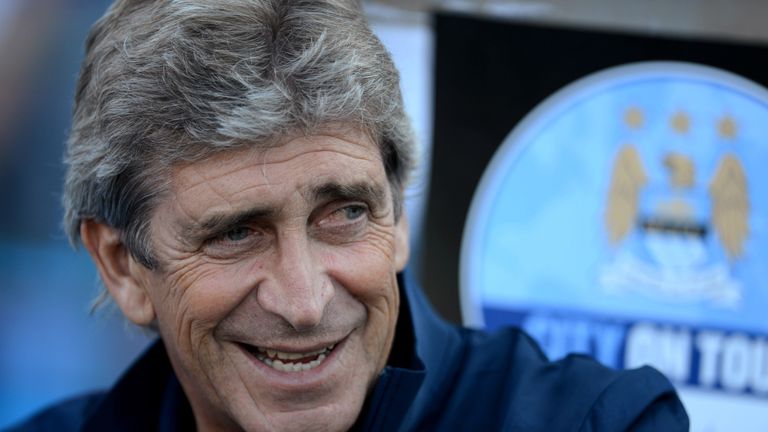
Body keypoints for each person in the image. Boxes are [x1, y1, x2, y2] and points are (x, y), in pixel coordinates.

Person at [11, 0, 689, 431]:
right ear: (124, 267)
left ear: (395, 221)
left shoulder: (598, 424)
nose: (304, 302)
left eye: (345, 213)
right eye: (236, 232)